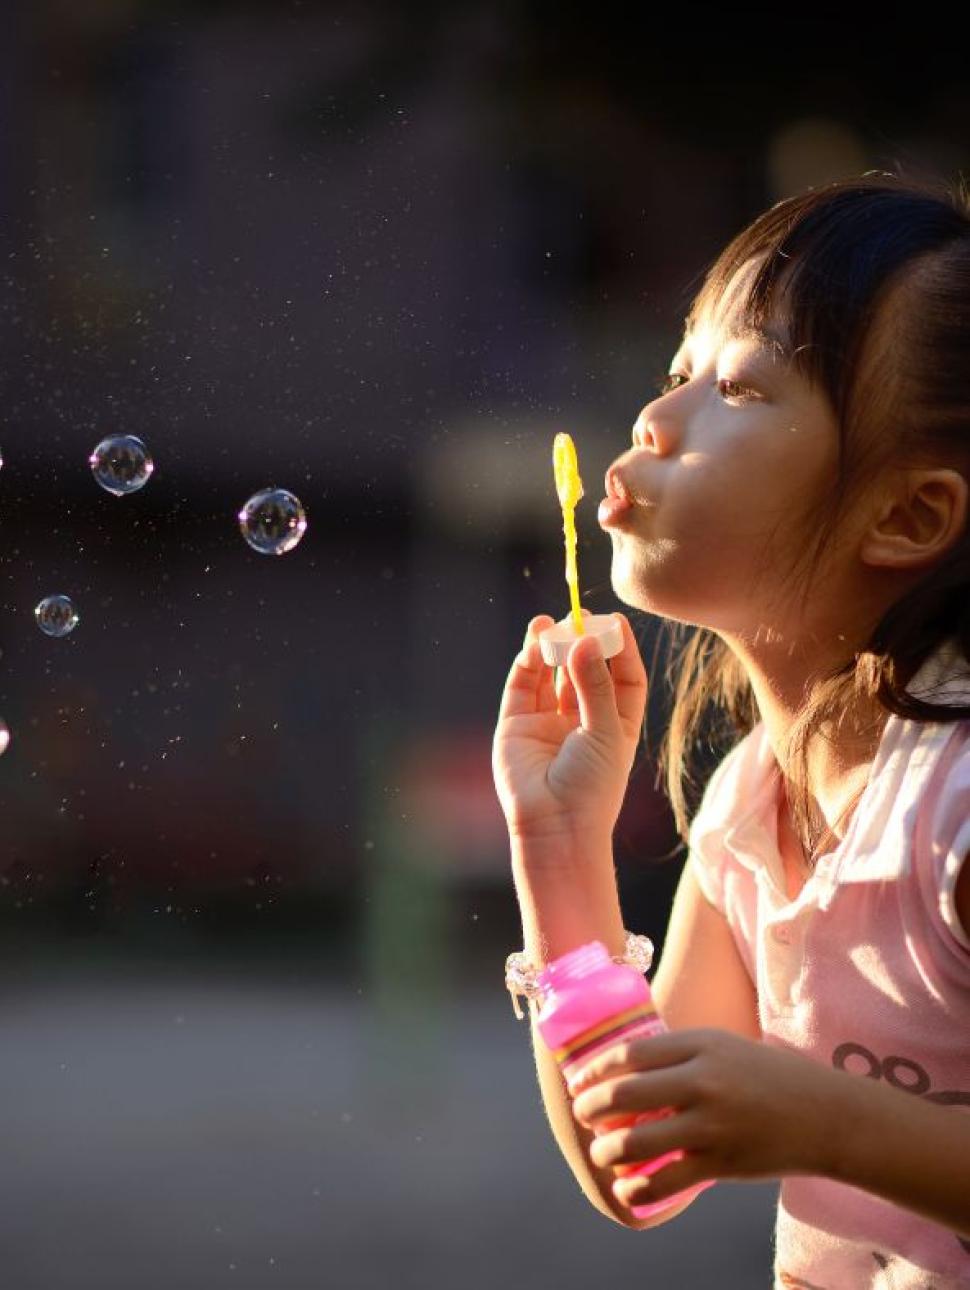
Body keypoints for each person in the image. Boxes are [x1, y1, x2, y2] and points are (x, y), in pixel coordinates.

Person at [491, 174, 970, 1289]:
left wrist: (828, 1123)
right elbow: (640, 1163)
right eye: (675, 373)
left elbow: (804, 1125)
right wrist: (559, 846)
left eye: (741, 388)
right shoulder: (754, 797)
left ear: (906, 516)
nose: (655, 418)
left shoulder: (953, 808)